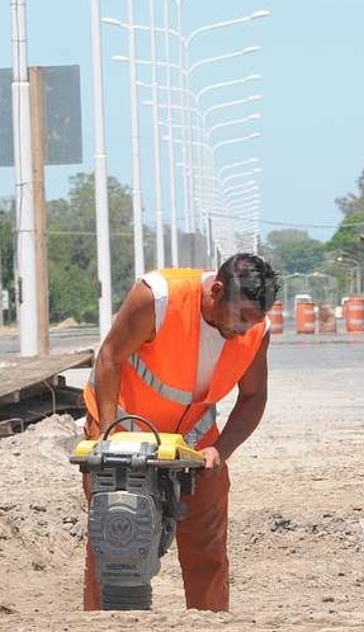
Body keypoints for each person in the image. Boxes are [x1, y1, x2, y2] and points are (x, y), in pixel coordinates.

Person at [81, 253, 280, 611]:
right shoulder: (158, 298)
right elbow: (110, 357)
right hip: (123, 429)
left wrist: (222, 449)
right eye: (241, 317)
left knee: (207, 544)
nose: (244, 329)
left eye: (255, 321)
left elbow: (254, 396)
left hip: (193, 441)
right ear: (217, 291)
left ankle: (209, 620)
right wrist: (109, 436)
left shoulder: (255, 333)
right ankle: (105, 620)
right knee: (115, 536)